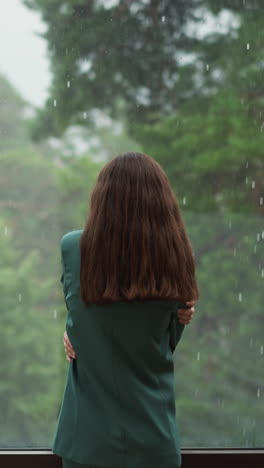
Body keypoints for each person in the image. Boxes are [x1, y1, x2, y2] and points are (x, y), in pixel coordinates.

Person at [52, 151, 199, 468]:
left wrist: (73, 332)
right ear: (161, 204)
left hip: (88, 442)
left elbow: (79, 313)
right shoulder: (175, 259)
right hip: (154, 440)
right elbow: (166, 342)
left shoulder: (73, 248)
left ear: (102, 199)